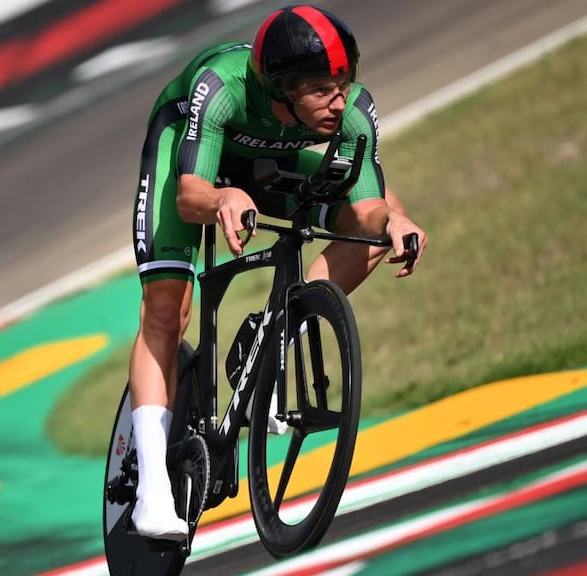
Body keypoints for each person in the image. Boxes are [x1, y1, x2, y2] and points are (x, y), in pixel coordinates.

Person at [126, 4, 427, 540]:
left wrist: (396, 218)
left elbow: (366, 208)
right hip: (191, 158)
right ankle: (151, 489)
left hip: (261, 163)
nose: (340, 100)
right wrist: (222, 194)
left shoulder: (352, 109)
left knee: (378, 223)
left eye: (344, 82)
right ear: (282, 88)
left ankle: (275, 338)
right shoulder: (223, 87)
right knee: (168, 312)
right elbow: (191, 194)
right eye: (322, 89)